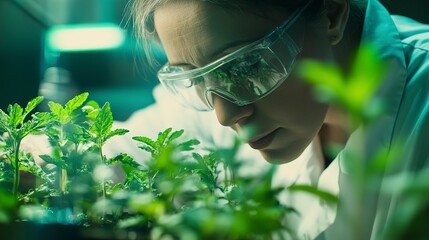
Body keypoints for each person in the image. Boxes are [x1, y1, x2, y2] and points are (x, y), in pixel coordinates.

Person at [105, 0, 429, 239]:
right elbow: (113, 152)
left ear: (331, 14)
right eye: (197, 80)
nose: (224, 115)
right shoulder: (221, 108)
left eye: (245, 67)